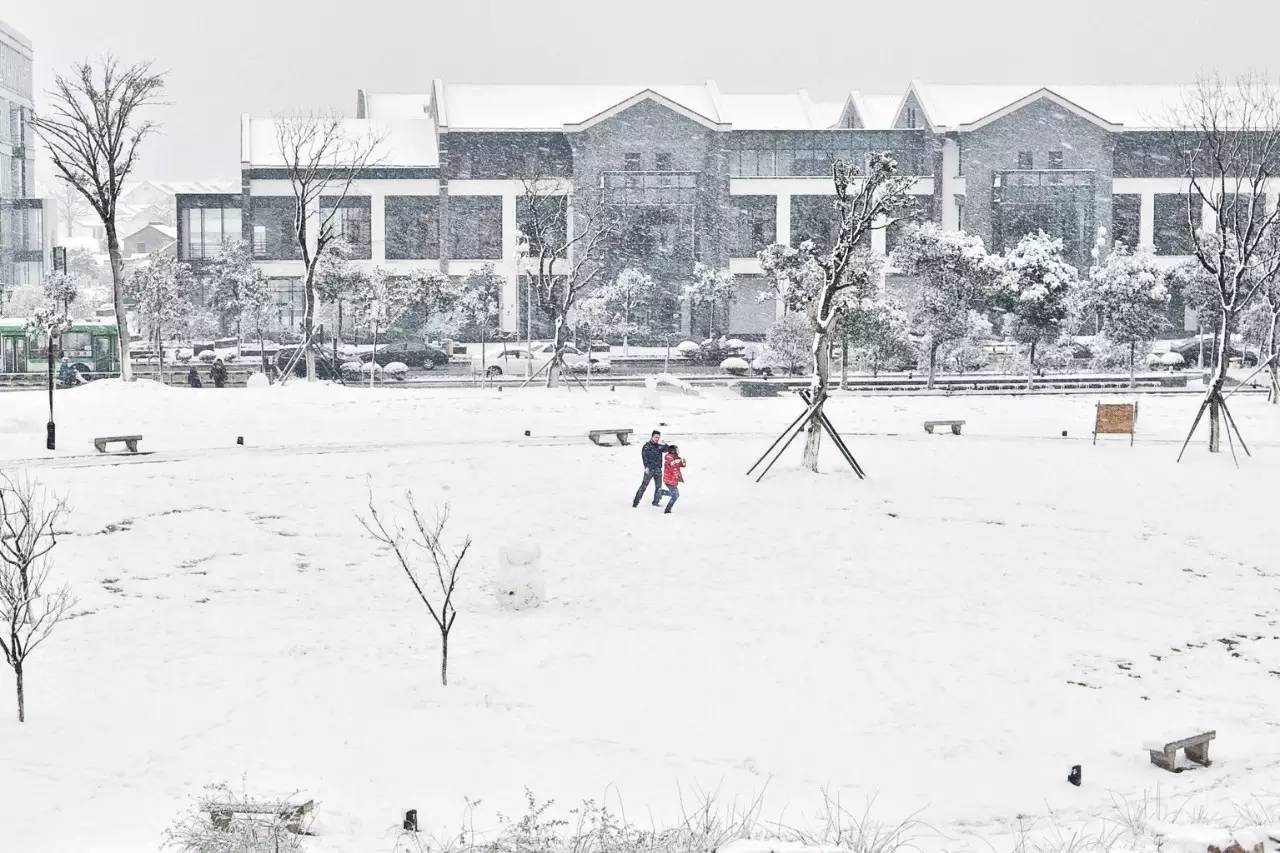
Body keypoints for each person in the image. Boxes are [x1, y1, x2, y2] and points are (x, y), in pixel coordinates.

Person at [632, 430, 670, 508]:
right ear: (652, 437)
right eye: (655, 437)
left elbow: (668, 450)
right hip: (649, 470)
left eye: (658, 438)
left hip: (658, 470)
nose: (657, 439)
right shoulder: (647, 446)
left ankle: (656, 502)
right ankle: (635, 502)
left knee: (658, 487)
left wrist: (665, 444)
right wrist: (646, 467)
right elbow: (644, 457)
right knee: (643, 486)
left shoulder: (659, 446)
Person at [657, 445, 686, 514]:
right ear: (673, 451)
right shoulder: (669, 457)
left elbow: (682, 465)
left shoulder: (677, 457)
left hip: (674, 479)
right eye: (677, 449)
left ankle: (662, 492)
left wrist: (683, 462)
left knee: (675, 494)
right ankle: (667, 510)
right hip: (669, 479)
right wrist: (675, 462)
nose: (678, 450)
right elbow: (669, 465)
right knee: (675, 495)